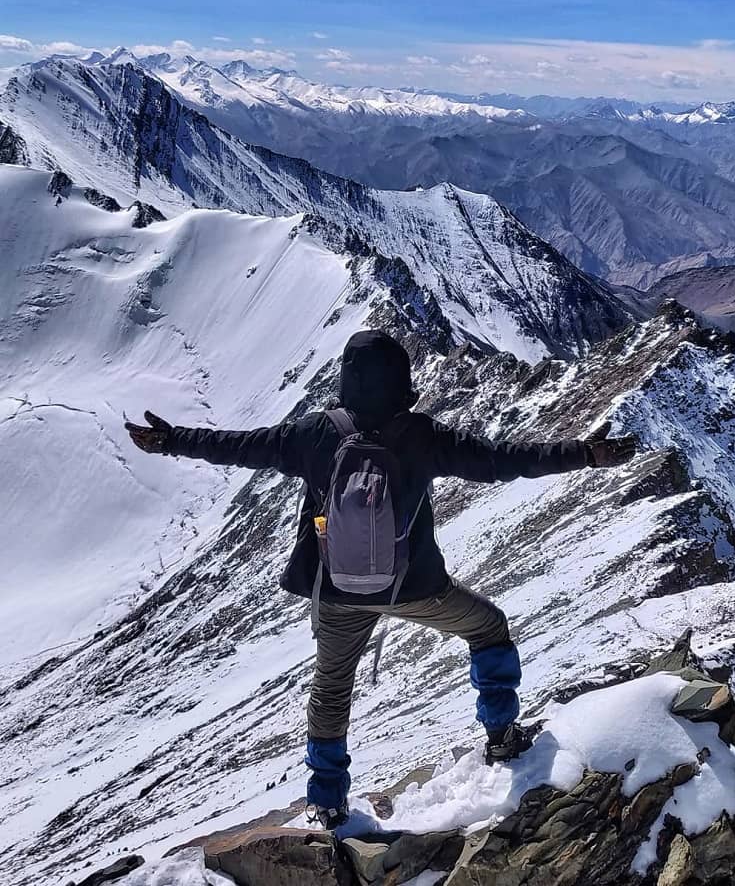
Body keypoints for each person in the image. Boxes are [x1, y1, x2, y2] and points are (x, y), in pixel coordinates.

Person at [125, 329, 636, 829]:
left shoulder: (314, 434)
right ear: (399, 379)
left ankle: (327, 803)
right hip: (414, 588)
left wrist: (171, 441)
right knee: (487, 628)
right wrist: (584, 455)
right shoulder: (422, 437)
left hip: (337, 592)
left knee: (331, 690)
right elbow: (503, 462)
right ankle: (502, 734)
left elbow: (239, 447)